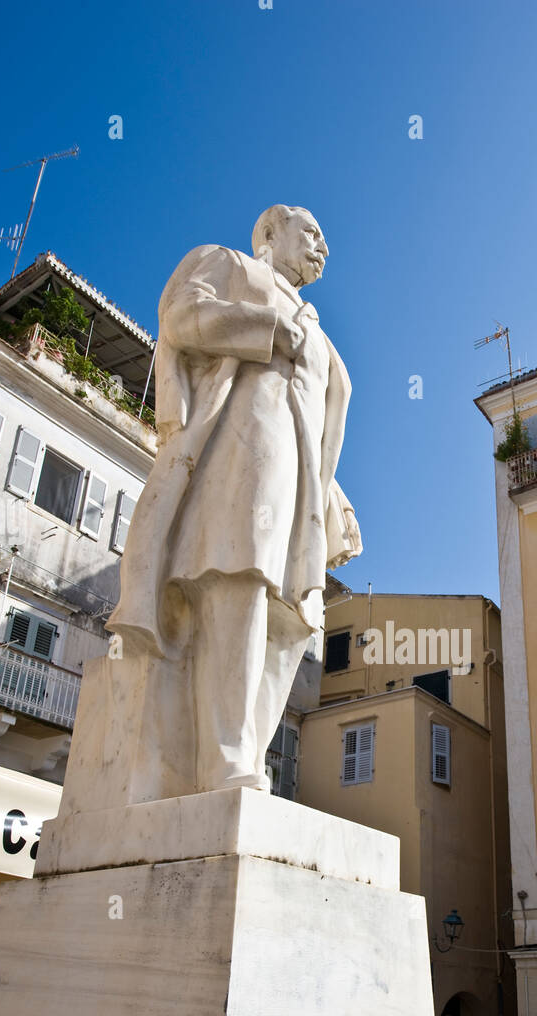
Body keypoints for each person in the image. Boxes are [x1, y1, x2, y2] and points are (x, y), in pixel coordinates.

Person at [107, 204, 361, 794]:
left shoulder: (321, 332)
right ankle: (223, 757)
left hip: (298, 478)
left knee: (294, 615)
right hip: (244, 446)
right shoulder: (231, 266)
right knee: (237, 574)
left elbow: (317, 416)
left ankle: (246, 746)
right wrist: (267, 328)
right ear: (272, 231)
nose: (324, 246)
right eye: (313, 233)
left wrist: (332, 497)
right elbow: (180, 316)